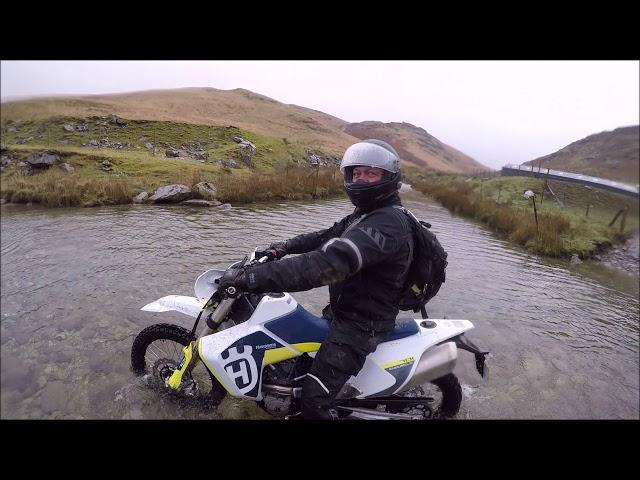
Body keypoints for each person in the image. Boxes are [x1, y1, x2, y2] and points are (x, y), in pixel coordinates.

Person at [218, 139, 414, 419]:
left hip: (361, 326)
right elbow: (325, 237)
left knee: (314, 400)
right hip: (344, 312)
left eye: (370, 173)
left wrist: (252, 278)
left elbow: (326, 264)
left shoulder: (387, 224)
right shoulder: (367, 214)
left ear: (389, 177)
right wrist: (282, 247)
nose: (360, 179)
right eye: (356, 173)